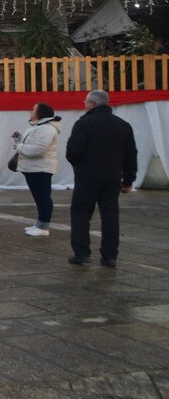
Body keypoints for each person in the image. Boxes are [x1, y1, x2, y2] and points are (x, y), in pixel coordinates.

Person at [65, 90, 137, 267]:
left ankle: (82, 253)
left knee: (81, 213)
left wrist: (79, 166)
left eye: (86, 102)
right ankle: (110, 255)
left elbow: (73, 151)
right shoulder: (123, 125)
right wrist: (128, 179)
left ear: (92, 104)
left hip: (87, 176)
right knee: (110, 215)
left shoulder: (84, 123)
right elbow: (130, 155)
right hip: (112, 176)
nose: (84, 104)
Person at [11, 103, 62, 237]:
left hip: (41, 168)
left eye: (33, 109)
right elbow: (30, 143)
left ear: (40, 113)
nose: (31, 111)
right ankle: (39, 224)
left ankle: (43, 227)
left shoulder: (47, 129)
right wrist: (18, 138)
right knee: (39, 197)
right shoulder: (37, 127)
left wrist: (19, 147)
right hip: (32, 168)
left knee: (43, 197)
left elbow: (38, 150)